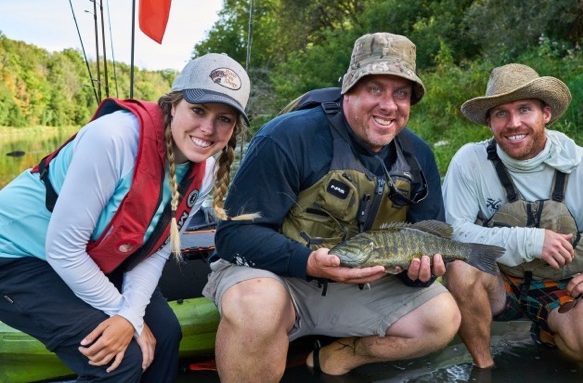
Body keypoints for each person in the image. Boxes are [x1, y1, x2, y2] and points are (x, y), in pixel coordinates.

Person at [202, 32, 461, 382]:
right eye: (375, 89)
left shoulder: (419, 156)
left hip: (357, 279)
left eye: (401, 93)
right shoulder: (288, 137)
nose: (389, 105)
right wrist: (308, 263)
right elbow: (233, 235)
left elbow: (428, 240)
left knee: (441, 317)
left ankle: (339, 356)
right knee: (256, 305)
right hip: (278, 275)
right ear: (348, 90)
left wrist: (421, 275)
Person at [0, 53, 253, 382]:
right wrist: (126, 317)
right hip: (17, 257)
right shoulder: (114, 138)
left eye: (225, 119)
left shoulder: (203, 170)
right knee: (118, 359)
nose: (208, 128)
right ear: (173, 104)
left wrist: (130, 314)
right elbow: (63, 249)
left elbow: (157, 248)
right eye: (198, 110)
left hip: (84, 258)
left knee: (165, 335)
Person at [442, 63, 583, 372]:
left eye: (525, 109)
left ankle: (552, 332)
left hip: (562, 285)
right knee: (460, 267)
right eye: (501, 113)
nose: (514, 123)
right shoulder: (469, 162)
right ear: (489, 122)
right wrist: (530, 240)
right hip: (497, 283)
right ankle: (484, 368)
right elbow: (453, 233)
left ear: (546, 113)